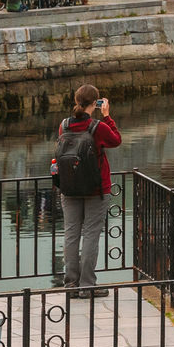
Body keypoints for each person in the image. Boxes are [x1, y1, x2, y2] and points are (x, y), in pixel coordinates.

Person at [55, 85, 121, 297]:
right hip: (96, 188)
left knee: (71, 234)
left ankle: (71, 285)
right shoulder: (97, 127)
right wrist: (107, 116)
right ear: (95, 104)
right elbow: (116, 140)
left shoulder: (64, 125)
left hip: (69, 187)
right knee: (91, 235)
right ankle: (87, 286)